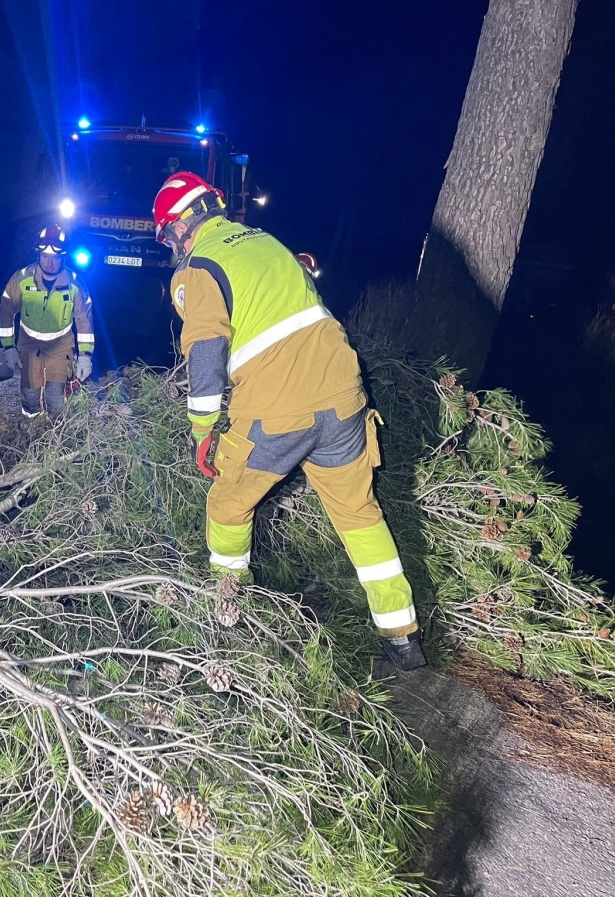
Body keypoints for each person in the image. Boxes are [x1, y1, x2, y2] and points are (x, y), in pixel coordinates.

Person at [153, 172, 425, 670]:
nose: (172, 245)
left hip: (278, 409)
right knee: (360, 514)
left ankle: (230, 622)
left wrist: (202, 431)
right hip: (344, 394)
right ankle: (403, 641)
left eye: (168, 235)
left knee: (228, 507)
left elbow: (207, 351)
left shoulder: (198, 268)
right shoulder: (266, 241)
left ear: (180, 226)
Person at [0, 225, 94, 418]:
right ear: (38, 255)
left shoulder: (75, 284)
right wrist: (8, 347)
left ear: (63, 257)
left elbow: (84, 321)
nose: (49, 263)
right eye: (45, 257)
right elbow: (6, 311)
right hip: (29, 344)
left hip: (61, 345)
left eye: (55, 258)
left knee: (55, 397)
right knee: (30, 396)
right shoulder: (21, 279)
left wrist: (85, 355)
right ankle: (31, 433)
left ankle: (55, 437)